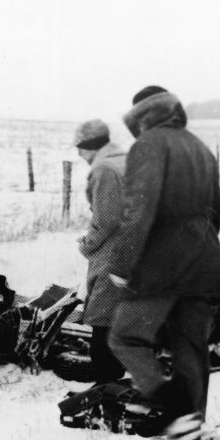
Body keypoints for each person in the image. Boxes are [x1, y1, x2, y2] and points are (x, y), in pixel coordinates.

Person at [108, 85, 220, 440]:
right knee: (192, 353)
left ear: (142, 116)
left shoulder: (148, 145)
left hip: (162, 262)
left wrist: (122, 265)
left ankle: (175, 409)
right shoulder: (200, 148)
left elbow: (138, 210)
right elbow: (217, 215)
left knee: (124, 336)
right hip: (205, 260)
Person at [72, 118, 128, 383]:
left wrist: (87, 244)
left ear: (89, 146)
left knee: (103, 322)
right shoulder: (125, 159)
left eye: (80, 148)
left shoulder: (104, 169)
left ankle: (106, 390)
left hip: (115, 252)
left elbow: (107, 219)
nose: (79, 154)